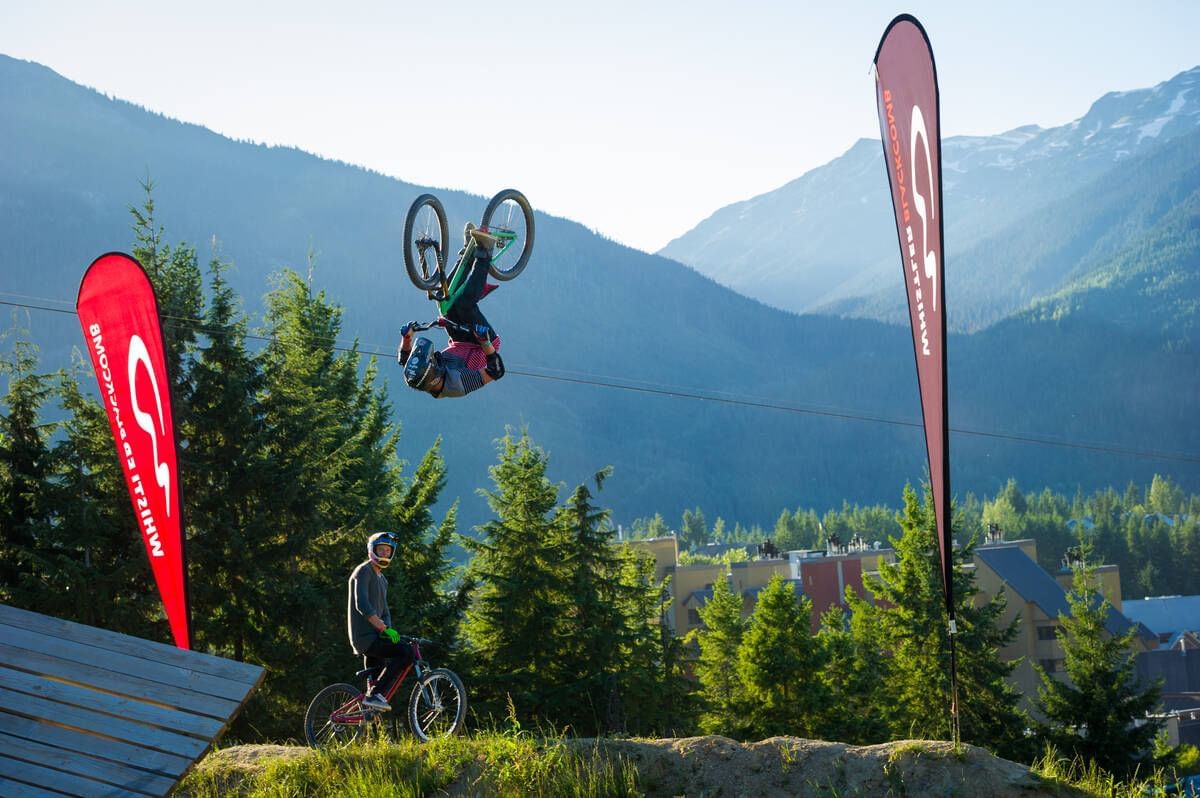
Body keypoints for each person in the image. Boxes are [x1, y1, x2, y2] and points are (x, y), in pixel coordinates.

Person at [398, 226, 506, 398]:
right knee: (464, 305)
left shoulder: (416, 374)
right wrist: (485, 343)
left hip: (458, 339)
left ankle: (467, 254)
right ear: (435, 377)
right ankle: (485, 250)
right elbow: (496, 371)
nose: (432, 359)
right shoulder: (456, 384)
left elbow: (403, 359)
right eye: (432, 362)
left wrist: (406, 338)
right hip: (482, 344)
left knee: (443, 300)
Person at [347, 531, 412, 710]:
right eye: (381, 549)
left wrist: (389, 631)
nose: (384, 553)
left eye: (387, 551)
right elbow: (362, 605)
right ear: (372, 550)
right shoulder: (363, 571)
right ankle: (376, 694)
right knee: (406, 653)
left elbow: (384, 611)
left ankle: (372, 716)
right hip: (365, 638)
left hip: (376, 637)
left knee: (373, 691)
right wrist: (384, 629)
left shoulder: (382, 580)